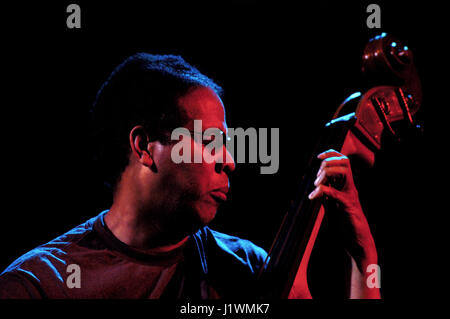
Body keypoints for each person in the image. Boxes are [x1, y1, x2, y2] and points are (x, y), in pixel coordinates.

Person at [0, 53, 380, 299]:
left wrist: (364, 255)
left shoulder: (249, 268)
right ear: (145, 147)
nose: (230, 162)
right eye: (211, 142)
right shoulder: (40, 285)